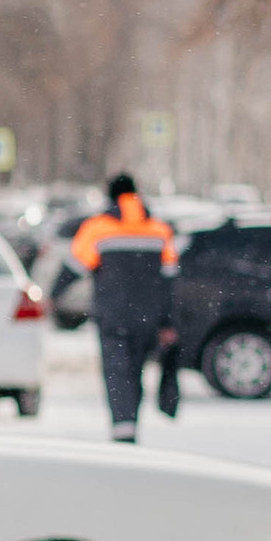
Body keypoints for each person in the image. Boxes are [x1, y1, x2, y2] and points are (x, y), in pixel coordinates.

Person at [70, 171, 179, 445]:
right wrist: (167, 321)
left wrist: (51, 296)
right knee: (134, 372)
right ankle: (130, 424)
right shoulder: (159, 230)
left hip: (112, 315)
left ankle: (123, 429)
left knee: (117, 371)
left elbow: (74, 266)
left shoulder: (97, 228)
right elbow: (168, 281)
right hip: (148, 317)